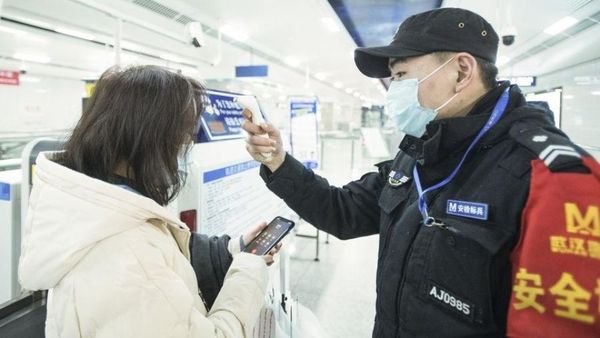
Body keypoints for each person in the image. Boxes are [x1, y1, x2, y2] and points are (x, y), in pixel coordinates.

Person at [243, 7, 590, 337]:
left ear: (461, 71)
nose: (395, 91)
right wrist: (277, 160)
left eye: (401, 75)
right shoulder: (419, 151)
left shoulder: (546, 176)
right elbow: (342, 211)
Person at [18, 65, 279, 338]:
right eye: (182, 139)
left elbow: (165, 255)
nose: (183, 151)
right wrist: (249, 268)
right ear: (152, 140)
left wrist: (234, 249)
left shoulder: (93, 206)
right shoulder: (129, 256)